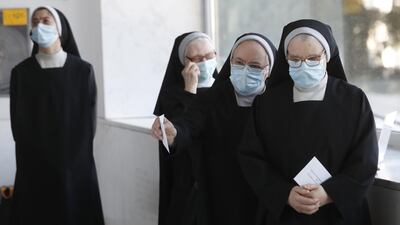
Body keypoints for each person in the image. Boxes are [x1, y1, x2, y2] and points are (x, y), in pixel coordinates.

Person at [238, 19, 378, 225]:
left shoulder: (353, 100)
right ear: (285, 59)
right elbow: (251, 157)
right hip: (283, 214)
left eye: (312, 58)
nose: (303, 66)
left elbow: (365, 161)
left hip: (339, 214)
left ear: (327, 56)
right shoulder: (267, 103)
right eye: (295, 60)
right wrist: (285, 194)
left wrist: (328, 193)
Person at [152, 33, 277, 225]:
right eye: (239, 63)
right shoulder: (216, 96)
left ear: (268, 70)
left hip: (264, 195)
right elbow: (191, 122)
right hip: (222, 194)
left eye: (254, 66)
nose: (245, 70)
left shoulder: (278, 102)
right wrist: (175, 131)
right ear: (230, 62)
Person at [9, 6, 104, 225]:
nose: (39, 26)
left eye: (46, 20)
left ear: (60, 29)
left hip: (74, 166)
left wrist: (71, 162)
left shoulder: (83, 71)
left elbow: (88, 126)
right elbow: (18, 126)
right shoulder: (21, 73)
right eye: (35, 22)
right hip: (34, 167)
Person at [153, 31, 218, 225]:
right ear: (183, 62)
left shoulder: (224, 90)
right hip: (186, 179)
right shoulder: (172, 96)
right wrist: (190, 89)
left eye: (209, 56)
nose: (204, 62)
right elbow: (177, 137)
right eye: (197, 58)